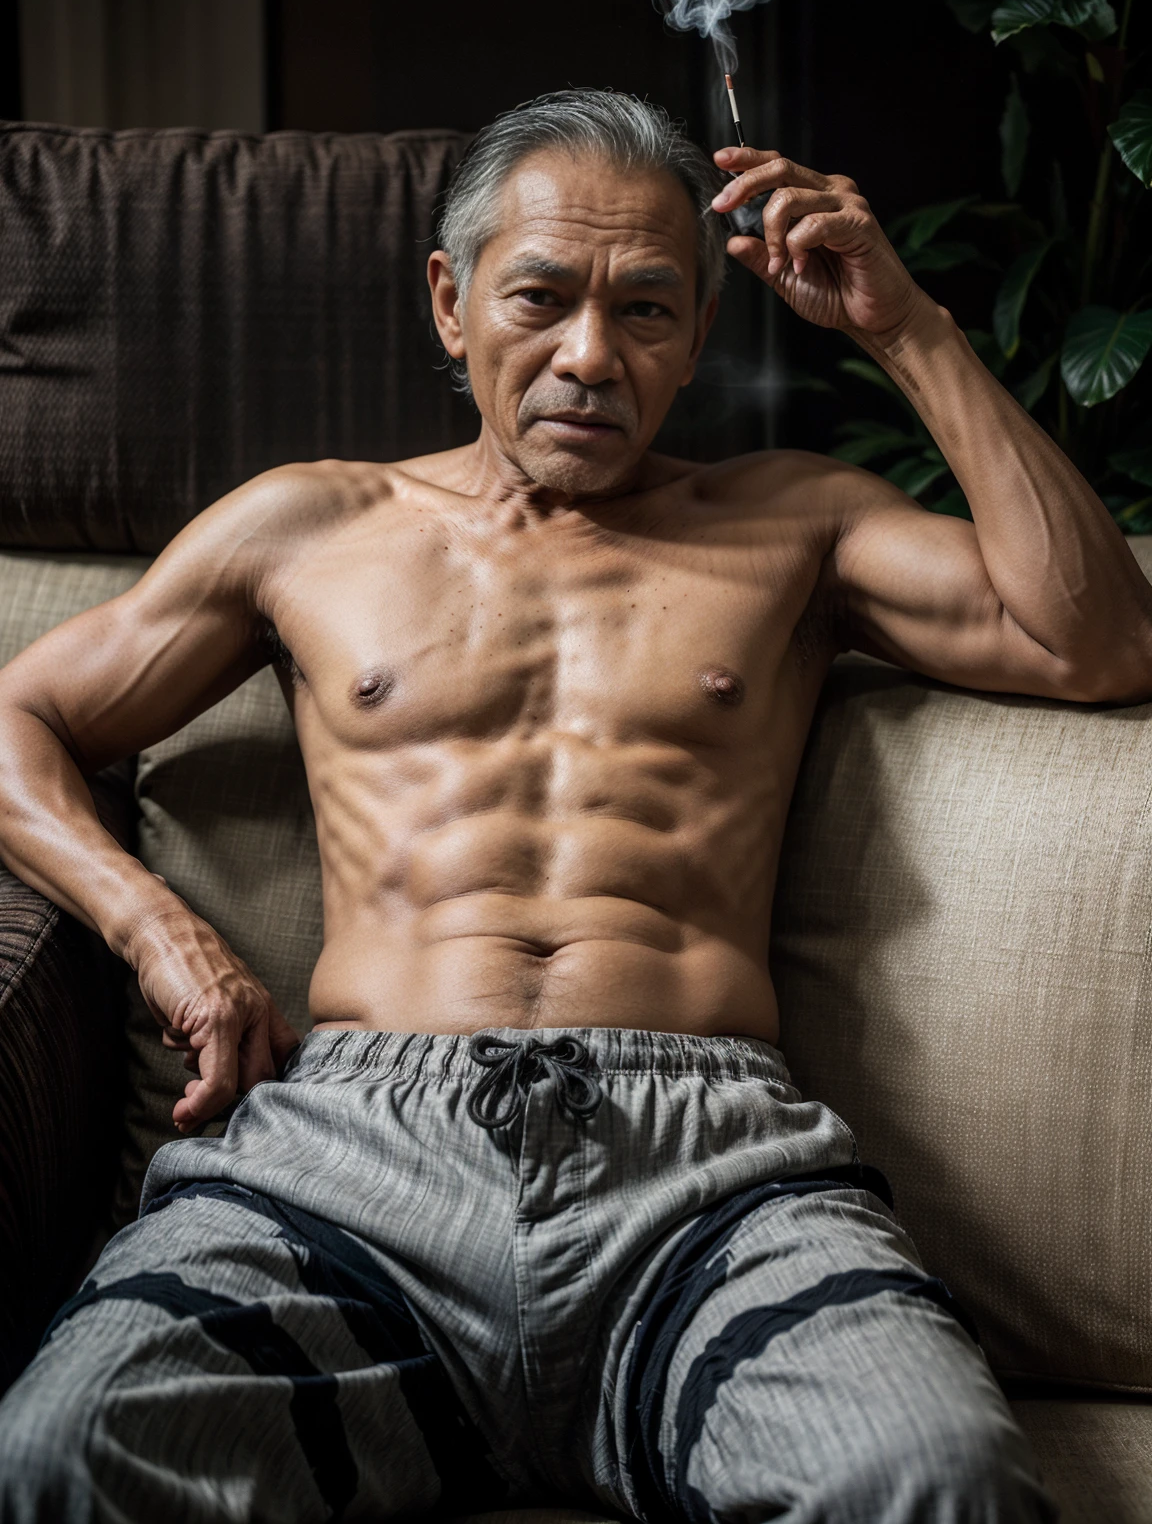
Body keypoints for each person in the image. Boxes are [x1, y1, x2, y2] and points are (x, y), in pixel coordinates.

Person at [0, 88, 1146, 1524]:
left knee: (934, 1479)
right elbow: (18, 714)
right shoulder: (311, 527)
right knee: (61, 1453)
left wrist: (903, 326)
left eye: (649, 312)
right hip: (351, 1169)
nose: (590, 357)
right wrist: (165, 936)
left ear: (697, 344)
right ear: (450, 301)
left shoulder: (799, 525)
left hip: (709, 1174)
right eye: (540, 297)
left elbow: (1095, 641)